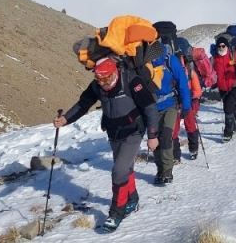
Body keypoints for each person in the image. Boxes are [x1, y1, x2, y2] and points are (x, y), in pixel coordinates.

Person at [53, 58, 159, 232]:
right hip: (113, 133)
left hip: (133, 132)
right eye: (99, 79)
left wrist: (153, 135)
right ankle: (132, 200)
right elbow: (83, 104)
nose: (103, 84)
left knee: (119, 171)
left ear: (115, 72)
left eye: (106, 79)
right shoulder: (97, 86)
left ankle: (116, 213)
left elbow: (150, 108)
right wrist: (65, 119)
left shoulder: (132, 81)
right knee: (125, 169)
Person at [149, 42, 192, 185]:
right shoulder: (143, 62)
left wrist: (186, 106)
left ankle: (167, 171)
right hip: (152, 107)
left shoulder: (169, 59)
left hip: (170, 104)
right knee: (154, 137)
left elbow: (182, 83)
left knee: (166, 135)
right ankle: (160, 170)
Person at [172, 44, 202, 162]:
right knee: (177, 130)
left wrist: (190, 96)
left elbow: (198, 91)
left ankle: (185, 153)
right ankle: (179, 154)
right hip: (180, 103)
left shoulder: (190, 72)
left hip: (184, 103)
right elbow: (198, 91)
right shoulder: (189, 72)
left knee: (188, 127)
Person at [212, 40, 236, 141]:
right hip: (222, 89)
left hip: (233, 86)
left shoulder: (233, 56)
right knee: (228, 108)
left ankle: (228, 133)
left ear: (227, 46)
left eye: (223, 46)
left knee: (228, 109)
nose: (221, 47)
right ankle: (233, 127)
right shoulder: (214, 59)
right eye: (219, 46)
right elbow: (212, 73)